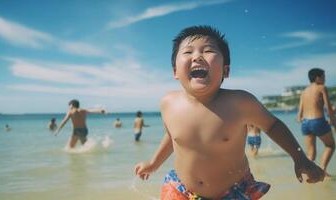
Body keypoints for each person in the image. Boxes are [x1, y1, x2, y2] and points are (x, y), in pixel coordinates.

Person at [135, 25, 325, 200]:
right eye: (188, 51)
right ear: (175, 71)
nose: (197, 56)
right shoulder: (168, 103)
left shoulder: (239, 102)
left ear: (226, 70)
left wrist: (299, 158)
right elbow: (173, 136)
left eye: (208, 50)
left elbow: (272, 125)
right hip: (180, 189)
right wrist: (154, 163)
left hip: (231, 191)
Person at [297, 68, 335, 176]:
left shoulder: (304, 92)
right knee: (330, 145)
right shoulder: (322, 88)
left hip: (305, 123)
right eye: (324, 76)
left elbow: (299, 115)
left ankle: (309, 175)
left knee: (311, 154)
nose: (325, 79)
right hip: (317, 121)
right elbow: (328, 109)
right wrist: (333, 122)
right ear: (317, 78)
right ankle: (322, 171)